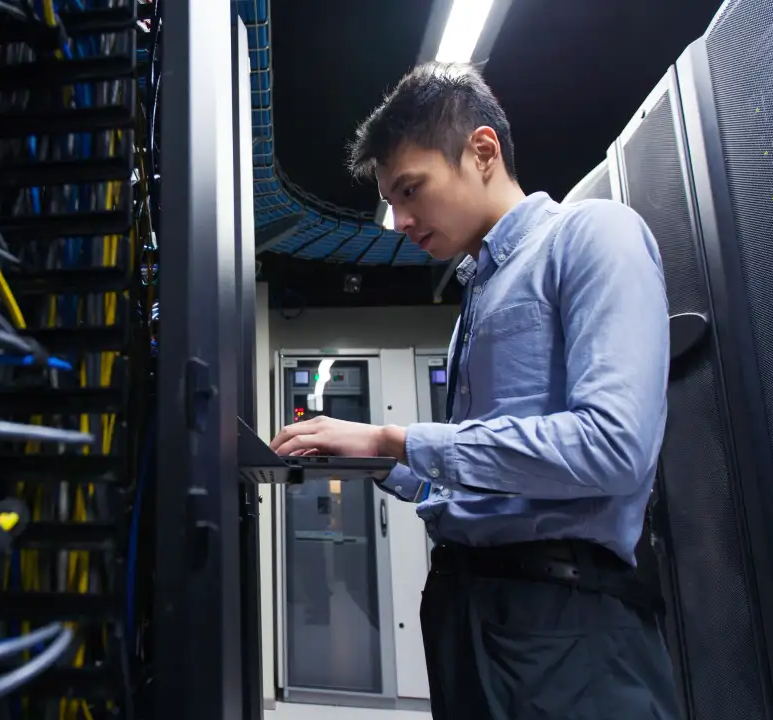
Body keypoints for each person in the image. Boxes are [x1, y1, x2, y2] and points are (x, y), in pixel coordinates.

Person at [270, 62, 679, 720]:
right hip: (471, 610)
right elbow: (487, 479)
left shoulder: (593, 236)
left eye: (410, 190)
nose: (398, 220)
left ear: (482, 152)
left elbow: (613, 447)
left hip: (564, 622)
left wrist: (394, 438)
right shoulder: (477, 296)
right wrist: (376, 461)